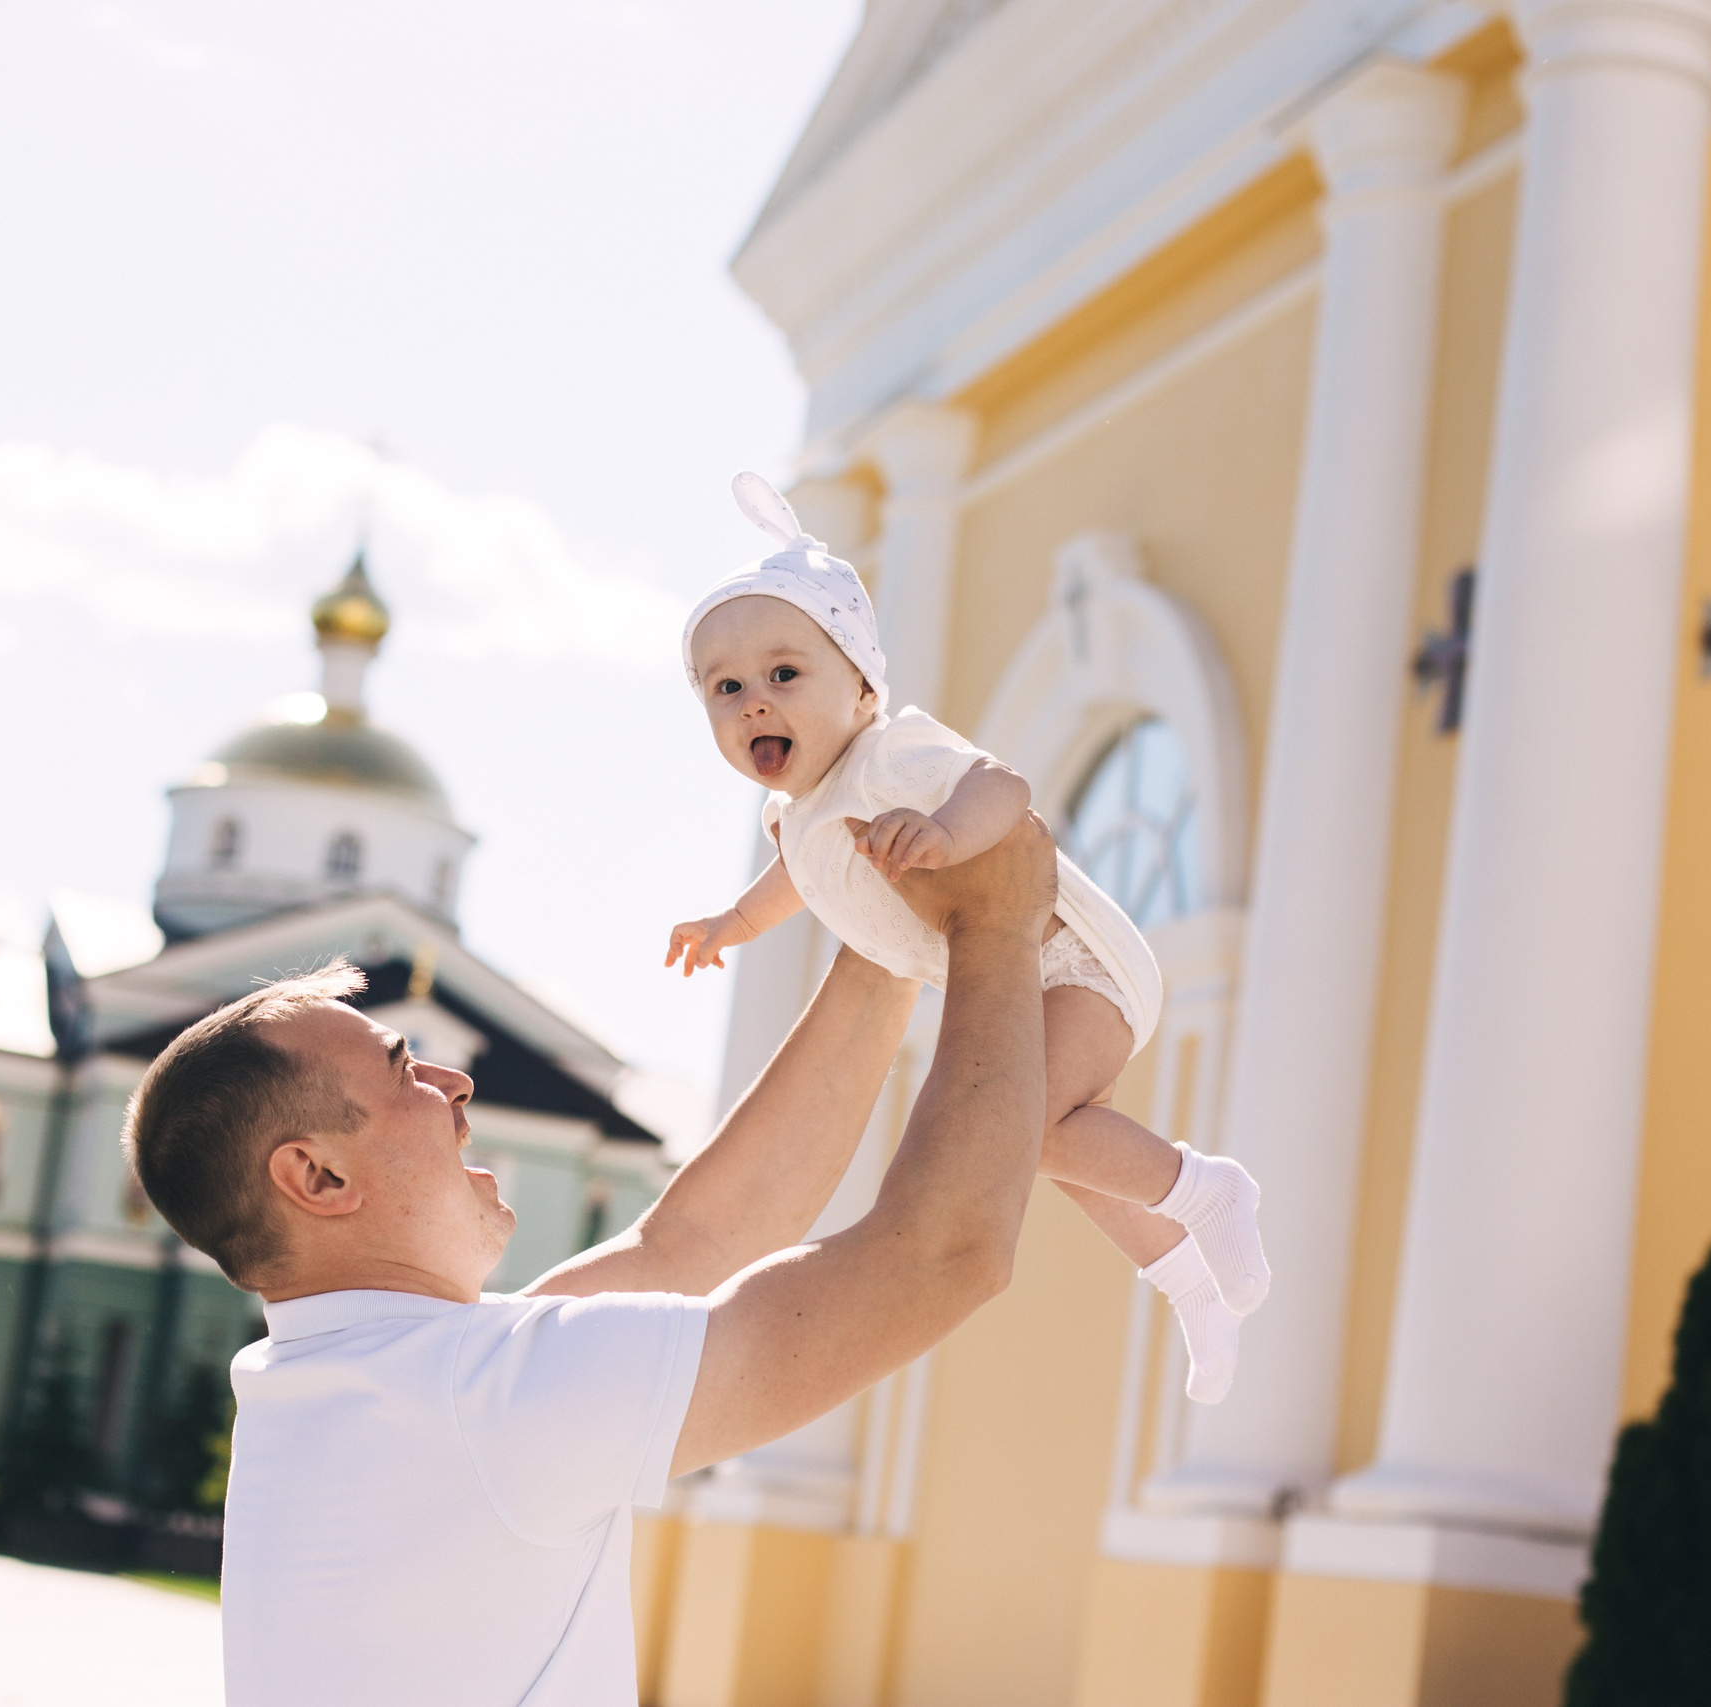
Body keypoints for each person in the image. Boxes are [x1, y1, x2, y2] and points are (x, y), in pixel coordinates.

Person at [124, 810, 1058, 1705]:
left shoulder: (352, 1381)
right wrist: (1000, 926)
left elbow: (690, 1244)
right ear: (318, 1176)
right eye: (406, 1066)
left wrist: (884, 925)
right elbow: (943, 1255)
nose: (457, 1082)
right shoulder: (480, 1397)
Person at [665, 473, 1272, 1402]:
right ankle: (1190, 1284)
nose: (754, 701)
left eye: (785, 674)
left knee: (1020, 1128)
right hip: (1024, 988)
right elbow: (792, 882)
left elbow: (1007, 787)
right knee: (1047, 1146)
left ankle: (1208, 1189)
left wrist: (947, 833)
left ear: (862, 684)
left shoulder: (888, 753)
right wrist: (728, 925)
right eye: (727, 688)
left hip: (1079, 961)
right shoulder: (796, 818)